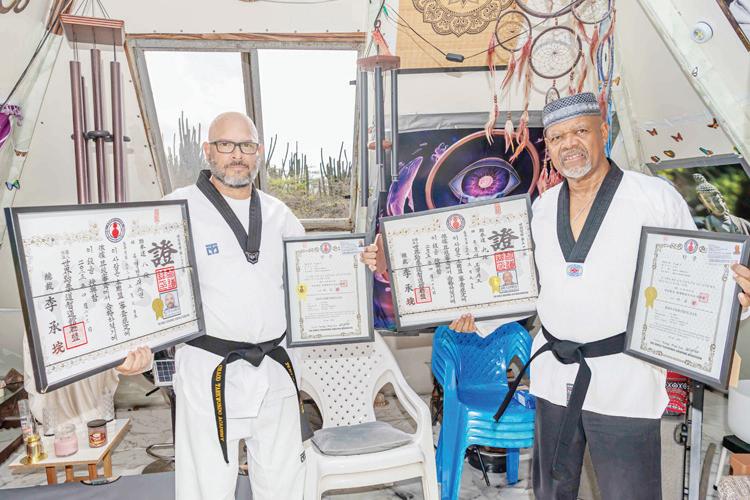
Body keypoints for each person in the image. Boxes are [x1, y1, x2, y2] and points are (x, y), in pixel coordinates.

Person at [361, 92, 750, 500]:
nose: (569, 144)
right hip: (554, 376)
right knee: (552, 491)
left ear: (603, 132)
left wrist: (732, 300)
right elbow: (515, 286)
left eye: (580, 131)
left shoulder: (654, 198)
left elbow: (696, 276)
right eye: (558, 137)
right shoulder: (542, 209)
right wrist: (403, 272)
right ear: (548, 145)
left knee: (629, 492)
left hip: (625, 379)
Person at [164, 112, 307, 500]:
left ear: (258, 152)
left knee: (284, 484)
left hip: (274, 368)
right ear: (208, 150)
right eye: (226, 145)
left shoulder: (279, 214)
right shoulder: (177, 208)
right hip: (208, 370)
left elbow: (311, 275)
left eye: (246, 145)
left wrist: (358, 263)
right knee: (206, 487)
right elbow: (148, 285)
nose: (237, 155)